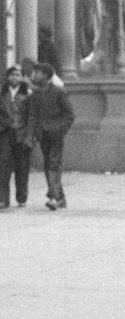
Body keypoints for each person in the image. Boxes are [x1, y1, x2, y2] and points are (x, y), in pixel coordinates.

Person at [30, 62, 74, 210]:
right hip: (42, 134)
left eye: (38, 72)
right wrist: (33, 134)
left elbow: (70, 115)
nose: (35, 75)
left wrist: (60, 130)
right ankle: (60, 197)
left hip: (55, 134)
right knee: (48, 164)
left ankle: (53, 197)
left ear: (46, 75)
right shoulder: (36, 94)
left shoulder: (58, 92)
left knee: (54, 164)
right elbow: (33, 116)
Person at [0, 66, 34, 208]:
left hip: (22, 133)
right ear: (7, 77)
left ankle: (21, 196)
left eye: (17, 74)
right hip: (5, 132)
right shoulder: (2, 92)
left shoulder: (28, 93)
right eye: (12, 75)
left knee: (22, 167)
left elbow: (32, 115)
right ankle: (3, 199)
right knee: (3, 166)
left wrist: (30, 135)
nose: (14, 77)